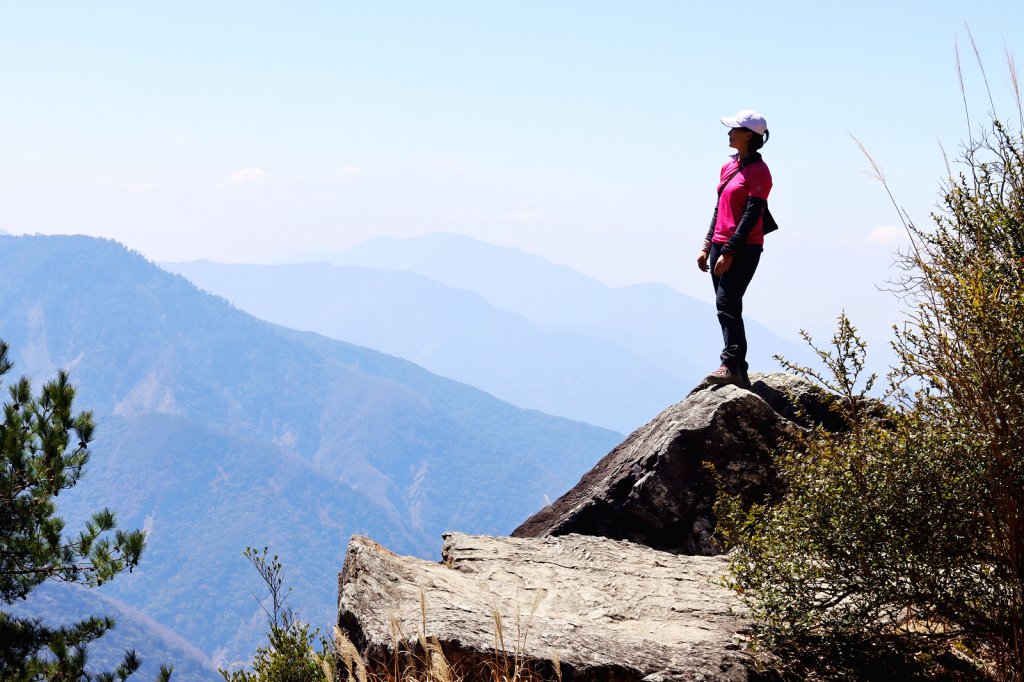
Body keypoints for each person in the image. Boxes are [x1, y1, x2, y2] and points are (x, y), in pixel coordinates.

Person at [696, 109, 772, 389]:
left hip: (744, 247)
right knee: (727, 305)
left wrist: (729, 251)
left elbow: (752, 214)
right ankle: (738, 370)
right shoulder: (729, 166)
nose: (729, 133)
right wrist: (707, 245)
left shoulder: (760, 171)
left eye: (735, 129)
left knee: (727, 303)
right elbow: (720, 208)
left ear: (748, 135)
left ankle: (730, 364)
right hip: (719, 245)